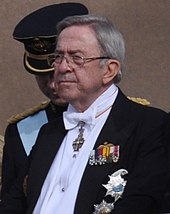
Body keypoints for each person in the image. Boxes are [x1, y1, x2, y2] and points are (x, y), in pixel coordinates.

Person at [0, 14, 168, 214]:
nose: (61, 68)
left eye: (76, 58)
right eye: (58, 57)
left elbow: (142, 202)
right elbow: (15, 201)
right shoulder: (48, 132)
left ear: (109, 70)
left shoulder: (149, 125)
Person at [0, 2, 88, 199]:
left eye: (59, 74)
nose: (53, 85)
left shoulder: (132, 120)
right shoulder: (22, 132)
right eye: (43, 76)